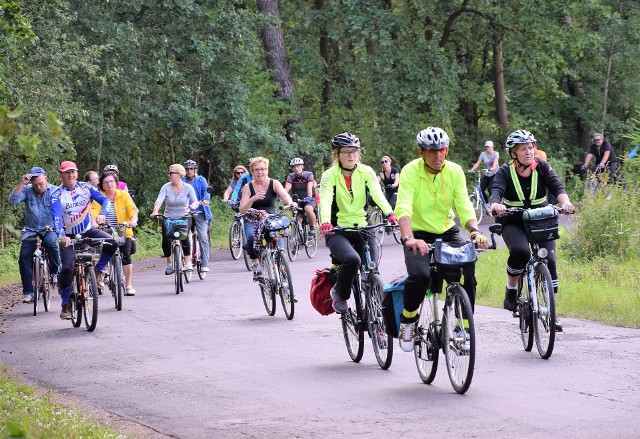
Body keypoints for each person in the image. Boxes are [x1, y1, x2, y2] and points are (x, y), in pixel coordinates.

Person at [395, 127, 489, 352]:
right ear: (421, 152)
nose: (438, 155)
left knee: (468, 270)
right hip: (417, 234)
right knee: (419, 276)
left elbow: (464, 206)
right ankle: (408, 320)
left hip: (446, 232)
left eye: (442, 150)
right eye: (432, 151)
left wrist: (475, 232)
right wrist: (408, 238)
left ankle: (463, 329)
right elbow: (403, 207)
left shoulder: (455, 171)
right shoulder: (410, 171)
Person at [489, 129, 575, 332]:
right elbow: (496, 191)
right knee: (521, 252)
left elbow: (557, 187)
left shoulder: (542, 166)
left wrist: (566, 203)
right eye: (523, 149)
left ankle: (553, 314)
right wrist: (495, 205)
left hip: (541, 219)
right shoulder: (504, 171)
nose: (529, 152)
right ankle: (511, 290)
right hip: (513, 220)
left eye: (531, 147)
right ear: (513, 153)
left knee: (550, 261)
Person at [318, 133, 397, 314]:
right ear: (337, 155)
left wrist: (390, 213)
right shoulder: (329, 175)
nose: (351, 155)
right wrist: (325, 222)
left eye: (354, 151)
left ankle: (377, 318)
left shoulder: (366, 171)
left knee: (373, 269)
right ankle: (339, 292)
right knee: (352, 259)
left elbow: (377, 194)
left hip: (363, 227)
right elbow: (326, 199)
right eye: (346, 152)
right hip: (337, 230)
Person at [50, 161, 118, 320]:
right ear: (61, 174)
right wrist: (62, 236)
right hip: (68, 236)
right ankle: (65, 304)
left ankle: (99, 270)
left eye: (73, 172)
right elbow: (56, 218)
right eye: (66, 172)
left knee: (113, 243)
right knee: (67, 268)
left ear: (77, 173)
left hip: (88, 231)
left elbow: (105, 200)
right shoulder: (56, 194)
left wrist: (103, 213)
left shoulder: (87, 188)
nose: (70, 175)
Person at [8, 167, 62, 304]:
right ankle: (28, 292)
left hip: (49, 229)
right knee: (24, 257)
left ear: (46, 179)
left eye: (41, 184)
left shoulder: (55, 191)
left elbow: (64, 207)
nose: (38, 187)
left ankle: (55, 272)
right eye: (35, 185)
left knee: (51, 244)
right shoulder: (27, 190)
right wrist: (22, 184)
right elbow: (13, 200)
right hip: (31, 230)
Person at [239, 157, 295, 279]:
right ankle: (255, 263)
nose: (260, 172)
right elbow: (242, 209)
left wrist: (291, 203)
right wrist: (252, 199)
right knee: (250, 237)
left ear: (267, 170)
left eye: (262, 169)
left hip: (271, 218)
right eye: (256, 170)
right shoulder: (248, 187)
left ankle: (281, 265)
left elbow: (285, 195)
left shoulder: (274, 183)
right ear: (252, 172)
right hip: (253, 218)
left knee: (279, 243)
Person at [91, 171, 139, 295]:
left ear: (116, 183)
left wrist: (133, 220)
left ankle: (128, 285)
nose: (109, 184)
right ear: (102, 185)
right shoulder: (99, 196)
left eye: (111, 181)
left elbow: (131, 208)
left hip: (123, 230)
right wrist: (95, 222)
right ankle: (100, 273)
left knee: (126, 256)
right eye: (106, 182)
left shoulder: (124, 195)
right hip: (106, 230)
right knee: (103, 251)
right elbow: (94, 211)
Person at [150, 164, 199, 275]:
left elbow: (195, 201)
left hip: (184, 216)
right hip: (168, 217)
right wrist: (155, 211)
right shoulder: (166, 187)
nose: (169, 175)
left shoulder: (188, 188)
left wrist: (193, 206)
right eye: (169, 172)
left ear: (179, 174)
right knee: (166, 240)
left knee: (184, 237)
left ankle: (187, 263)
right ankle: (169, 263)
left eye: (171, 173)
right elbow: (159, 201)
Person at [183, 160, 212, 272]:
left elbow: (207, 191)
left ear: (195, 170)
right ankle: (186, 260)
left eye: (191, 169)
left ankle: (205, 264)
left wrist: (205, 200)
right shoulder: (182, 181)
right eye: (187, 169)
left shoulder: (201, 179)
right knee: (183, 236)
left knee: (203, 237)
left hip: (200, 212)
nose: (189, 171)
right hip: (186, 213)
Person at [284, 157, 317, 231]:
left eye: (298, 166)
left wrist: (309, 196)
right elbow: (287, 187)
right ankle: (299, 235)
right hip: (297, 199)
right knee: (297, 214)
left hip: (309, 198)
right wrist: (282, 195)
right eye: (294, 167)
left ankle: (312, 227)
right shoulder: (291, 176)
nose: (296, 168)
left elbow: (309, 186)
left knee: (308, 209)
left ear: (302, 166)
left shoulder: (308, 174)